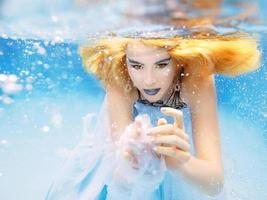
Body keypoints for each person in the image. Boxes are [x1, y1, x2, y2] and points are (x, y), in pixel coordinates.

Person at [45, 29, 261, 200]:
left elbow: (214, 183)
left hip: (179, 154)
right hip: (114, 167)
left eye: (161, 64)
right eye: (136, 65)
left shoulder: (197, 78)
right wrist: (132, 159)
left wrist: (180, 161)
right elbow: (117, 176)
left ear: (179, 61)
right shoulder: (119, 76)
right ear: (125, 61)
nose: (148, 80)